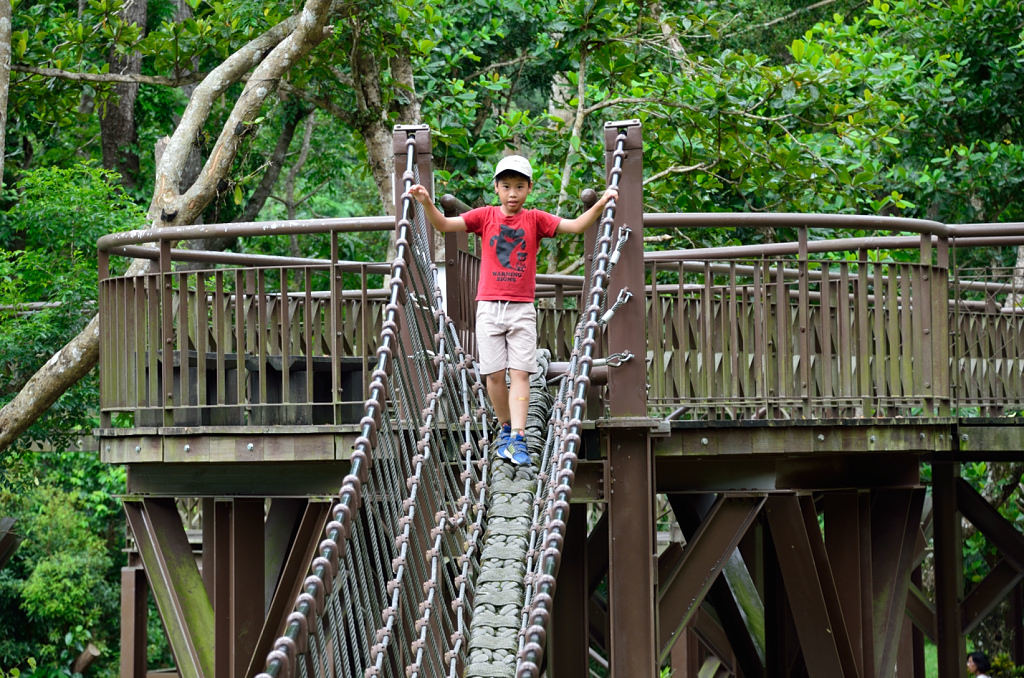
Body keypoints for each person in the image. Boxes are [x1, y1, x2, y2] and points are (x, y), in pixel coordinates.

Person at [409, 154, 617, 465]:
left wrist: (601, 204)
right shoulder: (485, 216)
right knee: (493, 375)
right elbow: (444, 225)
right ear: (496, 188)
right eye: (506, 186)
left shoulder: (535, 219)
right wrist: (426, 202)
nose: (512, 193)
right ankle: (505, 428)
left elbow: (575, 227)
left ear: (529, 188)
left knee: (520, 373)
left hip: (521, 309)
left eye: (519, 186)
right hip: (489, 308)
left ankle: (518, 437)